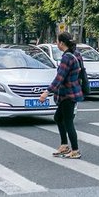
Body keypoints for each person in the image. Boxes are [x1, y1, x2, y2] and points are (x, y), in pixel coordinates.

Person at [39, 31, 84, 159]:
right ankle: (64, 145)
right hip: (69, 93)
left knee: (68, 121)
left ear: (62, 43)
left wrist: (46, 92)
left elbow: (60, 77)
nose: (56, 44)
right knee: (58, 118)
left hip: (68, 94)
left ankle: (75, 150)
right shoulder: (75, 54)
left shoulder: (67, 58)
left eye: (57, 42)